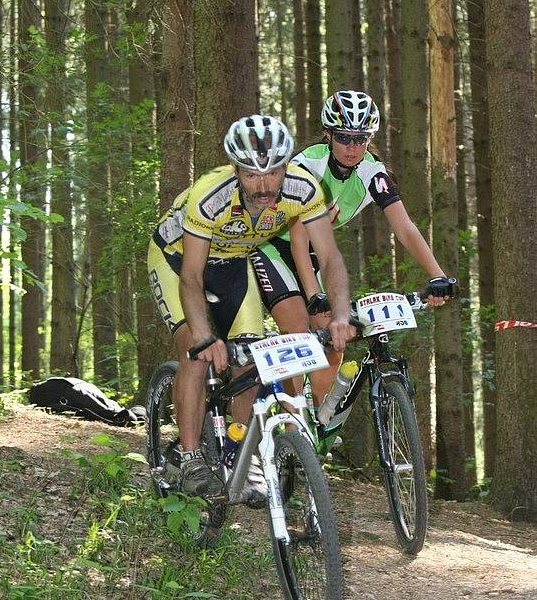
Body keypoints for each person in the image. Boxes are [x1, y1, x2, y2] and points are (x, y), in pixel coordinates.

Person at [148, 114, 356, 498]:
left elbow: (329, 257)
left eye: (273, 174)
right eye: (251, 175)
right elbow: (192, 276)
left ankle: (240, 454)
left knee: (251, 359)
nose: (263, 186)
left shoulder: (304, 188)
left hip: (232, 263)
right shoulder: (211, 195)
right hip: (177, 260)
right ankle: (191, 457)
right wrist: (204, 335)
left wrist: (340, 314)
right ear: (235, 170)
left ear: (285, 167)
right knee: (195, 353)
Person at [250, 90, 455, 404]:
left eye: (360, 139)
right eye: (344, 137)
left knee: (333, 344)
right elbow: (297, 241)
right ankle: (291, 429)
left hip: (315, 252)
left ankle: (315, 435)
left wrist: (438, 276)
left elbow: (405, 228)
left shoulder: (373, 173)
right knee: (298, 332)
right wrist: (314, 293)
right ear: (329, 134)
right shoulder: (307, 166)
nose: (352, 147)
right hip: (271, 245)